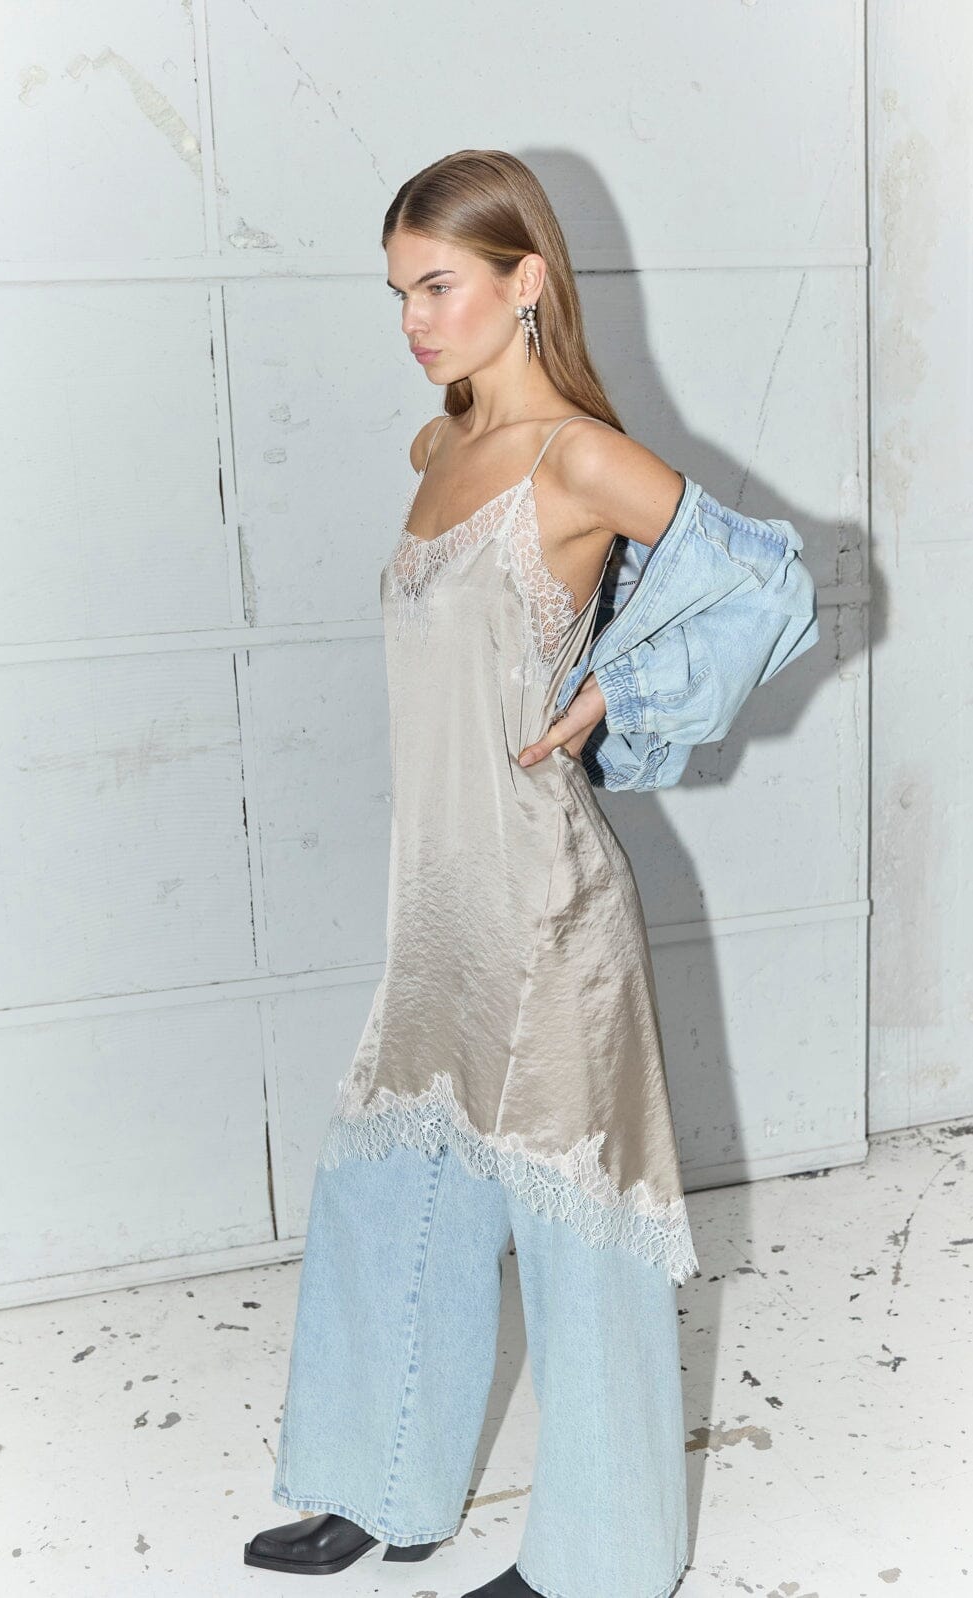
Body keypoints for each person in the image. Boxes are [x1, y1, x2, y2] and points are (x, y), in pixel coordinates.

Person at [244, 149, 818, 1598]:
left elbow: (770, 581)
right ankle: (378, 1485)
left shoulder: (577, 459)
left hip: (551, 913)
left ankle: (600, 1561)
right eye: (397, 293)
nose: (413, 321)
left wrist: (620, 690)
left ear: (526, 281)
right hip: (435, 907)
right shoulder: (436, 451)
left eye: (438, 286)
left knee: (579, 1236)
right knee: (394, 1193)